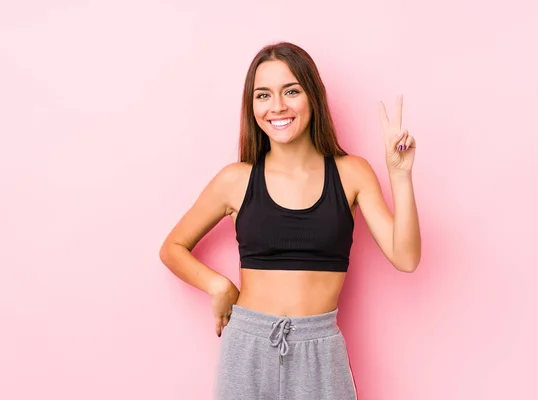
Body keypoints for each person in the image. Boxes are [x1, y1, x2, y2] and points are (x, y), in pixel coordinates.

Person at [159, 41, 421, 400]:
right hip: (247, 345)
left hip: (320, 349)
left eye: (291, 91)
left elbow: (405, 258)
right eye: (263, 95)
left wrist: (400, 175)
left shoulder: (351, 174)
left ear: (312, 96)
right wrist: (217, 286)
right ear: (251, 107)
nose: (277, 106)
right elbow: (172, 247)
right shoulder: (236, 180)